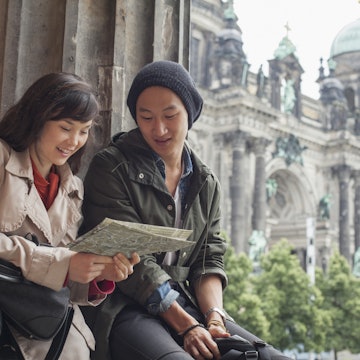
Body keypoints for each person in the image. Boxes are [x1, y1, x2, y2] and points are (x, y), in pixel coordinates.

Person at [80, 60, 292, 360]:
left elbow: (209, 258)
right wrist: (188, 326)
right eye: (146, 116)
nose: (159, 128)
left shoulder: (206, 182)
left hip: (187, 301)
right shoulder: (112, 167)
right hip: (123, 305)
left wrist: (215, 316)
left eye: (170, 115)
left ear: (190, 114)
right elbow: (133, 262)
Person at [0, 72, 140, 360]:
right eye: (66, 127)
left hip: (52, 332)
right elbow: (57, 264)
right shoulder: (2, 160)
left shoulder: (73, 188)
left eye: (84, 130)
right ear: (37, 118)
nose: (75, 141)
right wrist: (63, 264)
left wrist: (97, 275)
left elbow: (61, 274)